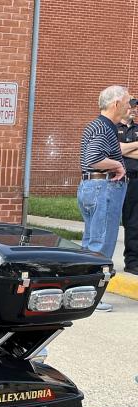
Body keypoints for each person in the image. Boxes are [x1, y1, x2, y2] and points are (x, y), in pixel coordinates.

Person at [78, 85, 131, 312]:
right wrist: (118, 164)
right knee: (101, 244)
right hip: (103, 189)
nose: (130, 107)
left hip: (92, 187)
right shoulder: (103, 128)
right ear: (116, 104)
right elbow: (94, 157)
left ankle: (82, 292)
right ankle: (91, 296)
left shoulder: (97, 125)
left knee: (91, 243)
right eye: (128, 102)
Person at [117, 98, 138, 275]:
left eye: (135, 107)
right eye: (130, 106)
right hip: (116, 180)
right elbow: (116, 150)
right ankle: (99, 261)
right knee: (107, 223)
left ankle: (132, 262)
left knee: (134, 222)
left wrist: (125, 148)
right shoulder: (112, 127)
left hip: (136, 182)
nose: (133, 110)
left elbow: (122, 149)